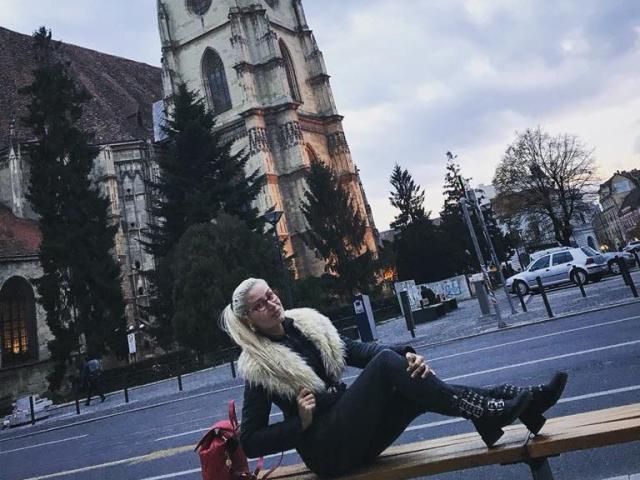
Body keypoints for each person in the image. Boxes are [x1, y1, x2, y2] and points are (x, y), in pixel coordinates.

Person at [220, 278, 567, 477]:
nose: (271, 303)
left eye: (270, 295)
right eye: (259, 305)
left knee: (409, 388)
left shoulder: (308, 326)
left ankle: (512, 403)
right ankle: (502, 407)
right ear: (249, 320)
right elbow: (250, 441)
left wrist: (407, 355)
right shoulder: (259, 365)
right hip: (328, 451)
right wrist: (301, 422)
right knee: (388, 365)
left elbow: (361, 350)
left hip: (356, 436)